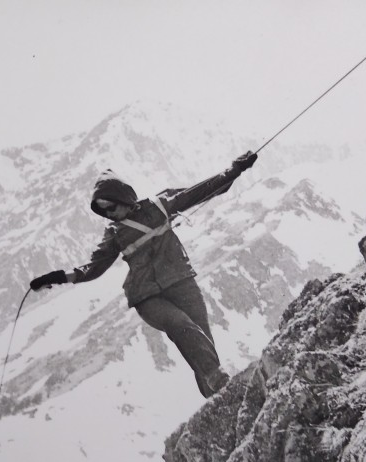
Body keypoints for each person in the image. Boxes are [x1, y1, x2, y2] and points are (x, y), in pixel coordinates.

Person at [30, 151, 258, 398]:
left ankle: (219, 400)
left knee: (202, 345)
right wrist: (55, 277)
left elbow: (204, 191)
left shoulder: (161, 204)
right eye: (103, 211)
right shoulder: (114, 234)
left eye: (111, 206)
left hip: (182, 283)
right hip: (147, 297)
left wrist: (235, 170)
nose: (108, 214)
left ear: (123, 197)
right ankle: (223, 386)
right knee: (181, 325)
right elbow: (92, 269)